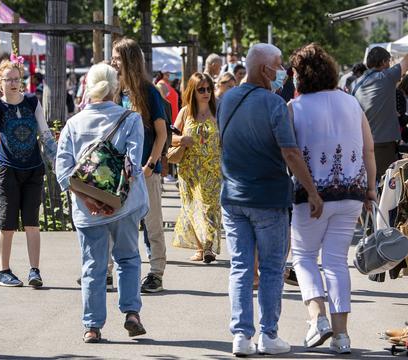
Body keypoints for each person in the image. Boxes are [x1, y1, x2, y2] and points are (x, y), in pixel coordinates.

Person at [218, 43, 323, 357]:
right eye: (279, 66)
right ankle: (268, 335)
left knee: (240, 268)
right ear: (265, 69)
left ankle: (240, 336)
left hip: (233, 196)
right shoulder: (275, 104)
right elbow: (290, 152)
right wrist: (313, 191)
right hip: (268, 198)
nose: (284, 73)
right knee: (272, 269)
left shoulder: (226, 100)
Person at [288, 43, 377, 354]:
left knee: (303, 257)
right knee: (336, 262)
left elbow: (291, 153)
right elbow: (368, 149)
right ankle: (342, 336)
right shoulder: (351, 103)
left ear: (301, 76)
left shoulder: (294, 107)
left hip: (312, 195)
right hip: (351, 191)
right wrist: (371, 188)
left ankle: (318, 319)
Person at [55, 63, 148, 343]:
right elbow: (133, 166)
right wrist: (114, 201)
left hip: (87, 210)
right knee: (128, 258)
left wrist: (87, 198)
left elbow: (63, 170)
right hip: (124, 206)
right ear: (116, 86)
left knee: (92, 267)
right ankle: (131, 312)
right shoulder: (130, 120)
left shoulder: (73, 124)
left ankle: (92, 327)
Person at [0, 59, 57, 288]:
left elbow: (45, 133)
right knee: (7, 223)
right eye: (9, 80)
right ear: (0, 82)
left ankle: (34, 271)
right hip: (7, 170)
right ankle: (3, 271)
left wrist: (57, 162)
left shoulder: (31, 102)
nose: (14, 83)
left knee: (32, 223)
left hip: (33, 169)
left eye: (17, 79)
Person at [112, 38, 169, 293]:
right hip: (119, 172)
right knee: (117, 224)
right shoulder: (115, 91)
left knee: (152, 224)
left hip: (146, 171)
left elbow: (162, 133)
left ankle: (156, 273)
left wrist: (151, 164)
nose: (113, 62)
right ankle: (107, 272)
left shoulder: (148, 92)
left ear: (129, 60)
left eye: (116, 57)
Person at [353, 4, 408, 181]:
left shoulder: (356, 84)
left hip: (360, 145)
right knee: (386, 194)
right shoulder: (386, 77)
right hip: (383, 148)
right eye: (390, 61)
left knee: (367, 193)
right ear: (385, 62)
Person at [171, 72, 222, 263]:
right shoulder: (185, 112)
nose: (206, 92)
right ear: (193, 90)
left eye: (209, 88)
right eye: (201, 89)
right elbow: (170, 137)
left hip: (212, 168)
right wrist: (182, 140)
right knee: (192, 207)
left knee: (209, 207)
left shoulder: (218, 111)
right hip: (188, 169)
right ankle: (201, 249)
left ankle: (209, 247)